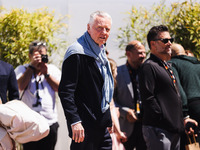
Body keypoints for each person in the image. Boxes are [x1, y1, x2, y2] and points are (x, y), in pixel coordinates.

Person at [58, 11, 114, 150]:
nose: (104, 32)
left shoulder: (100, 51)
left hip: (101, 125)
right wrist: (74, 121)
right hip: (83, 126)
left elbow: (101, 89)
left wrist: (108, 119)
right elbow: (66, 92)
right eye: (99, 28)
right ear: (88, 28)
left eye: (107, 29)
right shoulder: (77, 52)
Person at [138, 25, 185, 150]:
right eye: (165, 40)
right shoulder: (149, 66)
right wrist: (163, 118)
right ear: (153, 44)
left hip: (173, 129)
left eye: (171, 40)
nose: (169, 43)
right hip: (159, 129)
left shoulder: (166, 66)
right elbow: (148, 97)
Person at [15, 40, 61, 150]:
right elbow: (20, 86)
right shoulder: (22, 69)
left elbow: (60, 89)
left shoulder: (52, 70)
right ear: (30, 56)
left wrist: (46, 74)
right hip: (29, 125)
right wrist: (31, 68)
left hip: (50, 123)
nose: (40, 58)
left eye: (43, 55)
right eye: (37, 55)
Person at [113, 40, 147, 150]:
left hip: (145, 126)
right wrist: (125, 111)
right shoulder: (117, 73)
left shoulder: (148, 71)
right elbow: (111, 101)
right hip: (125, 126)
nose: (143, 56)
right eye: (139, 53)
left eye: (144, 53)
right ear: (128, 54)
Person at [169, 43, 199, 148]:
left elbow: (178, 89)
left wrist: (185, 114)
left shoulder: (172, 64)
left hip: (191, 107)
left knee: (191, 143)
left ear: (170, 53)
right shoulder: (197, 64)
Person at [108, 58, 127, 150]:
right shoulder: (108, 90)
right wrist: (119, 132)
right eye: (115, 70)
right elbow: (111, 111)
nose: (117, 73)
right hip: (111, 133)